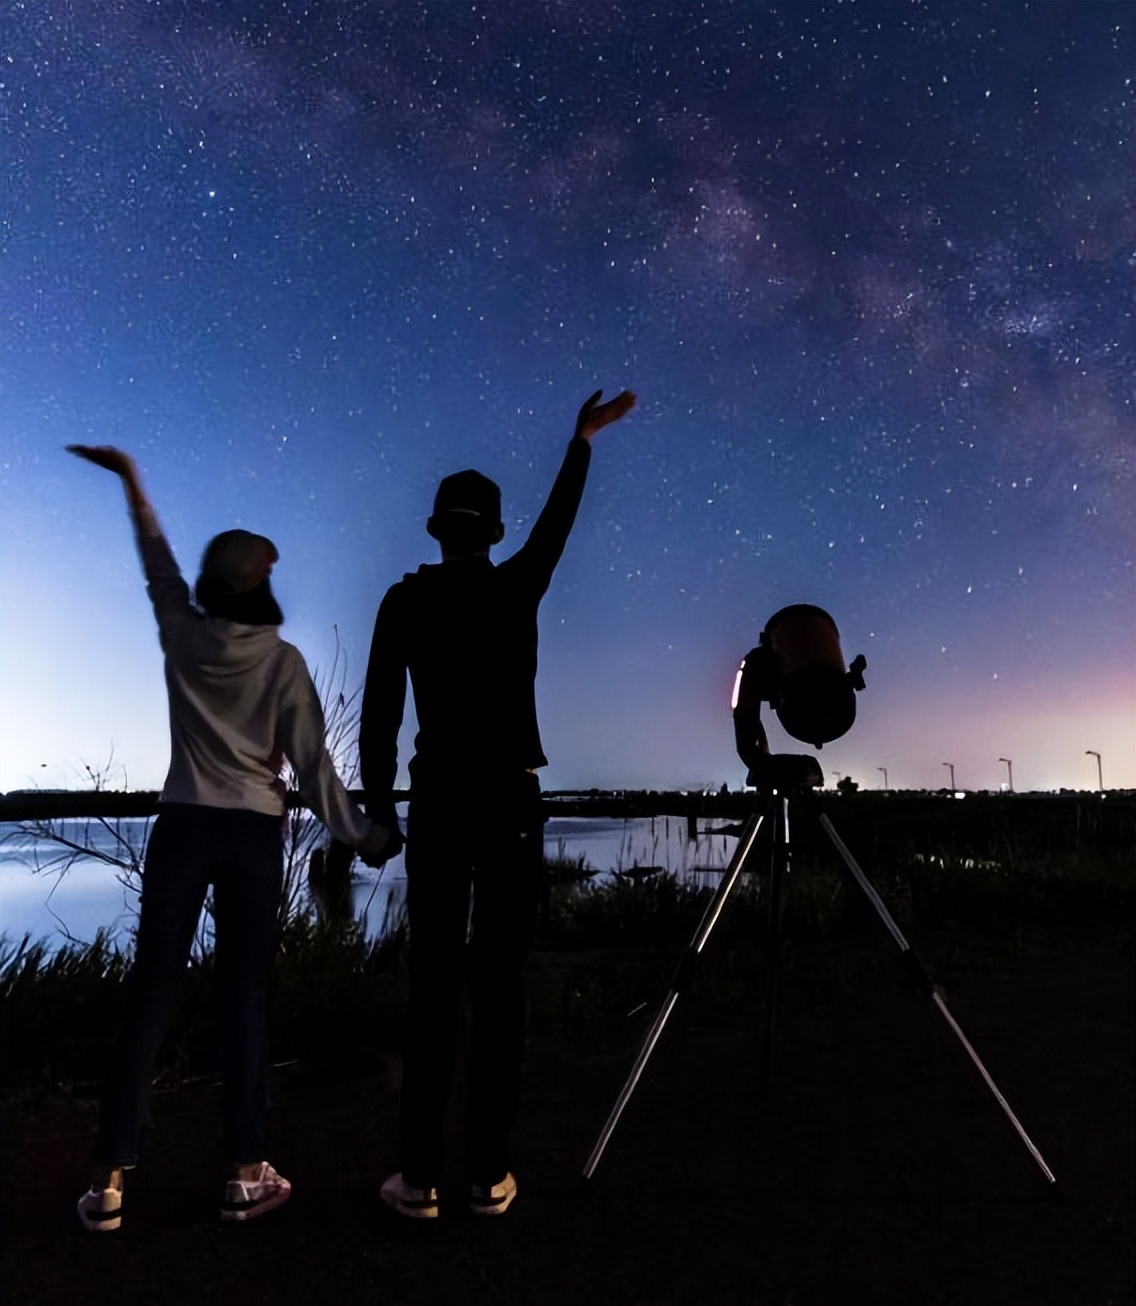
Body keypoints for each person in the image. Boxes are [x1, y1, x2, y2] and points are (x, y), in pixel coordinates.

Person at [66, 445, 396, 1233]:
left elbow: (156, 564)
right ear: (262, 588)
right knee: (244, 999)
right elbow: (314, 770)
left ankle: (108, 1182)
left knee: (152, 993)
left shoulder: (180, 632)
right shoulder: (282, 663)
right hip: (252, 832)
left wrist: (133, 483)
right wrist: (371, 838)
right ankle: (245, 1174)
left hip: (180, 825)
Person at [359, 387, 635, 1218]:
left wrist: (379, 810)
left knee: (433, 986)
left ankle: (418, 1177)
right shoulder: (517, 585)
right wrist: (579, 440)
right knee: (502, 984)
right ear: (496, 532)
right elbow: (560, 521)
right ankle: (487, 1174)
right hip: (511, 802)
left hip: (438, 802)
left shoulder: (405, 600)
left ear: (438, 529)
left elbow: (377, 714)